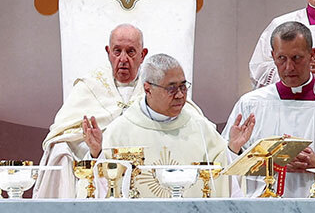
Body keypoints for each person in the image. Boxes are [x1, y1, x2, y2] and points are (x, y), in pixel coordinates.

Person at [223, 21, 315, 197]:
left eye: (296, 58)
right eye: (282, 58)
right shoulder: (251, 105)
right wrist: (234, 150)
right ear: (273, 56)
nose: (289, 67)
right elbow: (223, 173)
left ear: (311, 55)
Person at [98, 53, 253, 197]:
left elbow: (223, 178)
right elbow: (101, 185)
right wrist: (95, 153)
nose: (180, 95)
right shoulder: (119, 132)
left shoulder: (200, 127)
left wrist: (233, 149)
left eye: (183, 87)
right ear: (148, 89)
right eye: (171, 88)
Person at [35, 24, 149, 197]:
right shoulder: (90, 86)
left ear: (143, 55)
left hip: (145, 173)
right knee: (59, 149)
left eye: (131, 52)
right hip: (94, 171)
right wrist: (94, 148)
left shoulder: (156, 86)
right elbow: (63, 134)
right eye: (117, 51)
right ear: (108, 52)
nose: (123, 59)